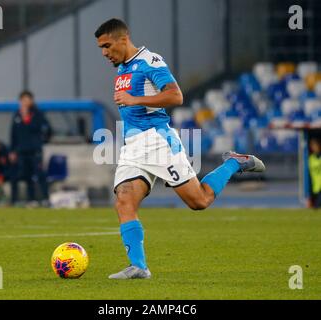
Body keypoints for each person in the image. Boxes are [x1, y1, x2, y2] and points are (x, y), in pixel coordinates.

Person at [95, 18, 265, 279]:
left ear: (123, 39)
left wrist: (135, 99)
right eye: (101, 48)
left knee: (200, 201)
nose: (104, 53)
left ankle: (234, 162)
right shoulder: (123, 69)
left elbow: (176, 96)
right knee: (124, 201)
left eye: (107, 45)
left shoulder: (150, 62)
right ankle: (139, 266)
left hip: (158, 142)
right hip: (132, 147)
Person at [9, 90, 52, 207]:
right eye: (23, 100)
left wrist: (41, 141)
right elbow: (13, 134)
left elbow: (47, 129)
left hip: (35, 151)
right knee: (27, 176)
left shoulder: (38, 114)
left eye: (27, 99)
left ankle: (45, 199)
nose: (25, 102)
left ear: (31, 101)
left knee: (40, 175)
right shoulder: (17, 115)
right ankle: (31, 200)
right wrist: (12, 150)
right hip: (22, 151)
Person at [307, 137, 321, 209]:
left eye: (315, 146)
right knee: (316, 209)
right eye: (312, 146)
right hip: (315, 187)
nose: (314, 148)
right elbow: (308, 176)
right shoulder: (311, 159)